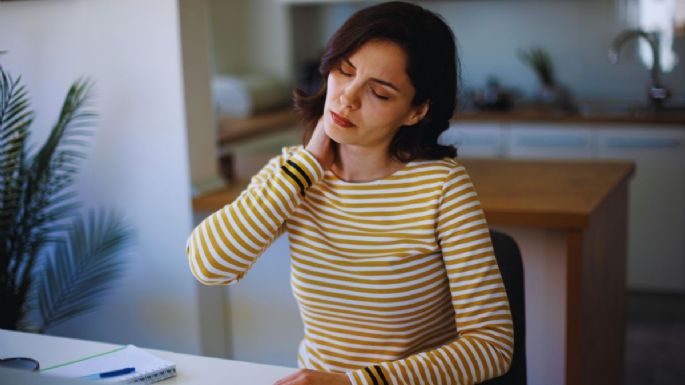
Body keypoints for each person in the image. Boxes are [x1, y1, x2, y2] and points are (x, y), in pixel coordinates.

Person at [186, 2, 513, 384]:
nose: (347, 98)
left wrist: (353, 383)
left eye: (379, 93)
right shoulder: (294, 174)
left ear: (416, 111)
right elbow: (208, 266)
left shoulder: (442, 187)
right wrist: (306, 167)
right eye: (344, 72)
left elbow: (492, 346)